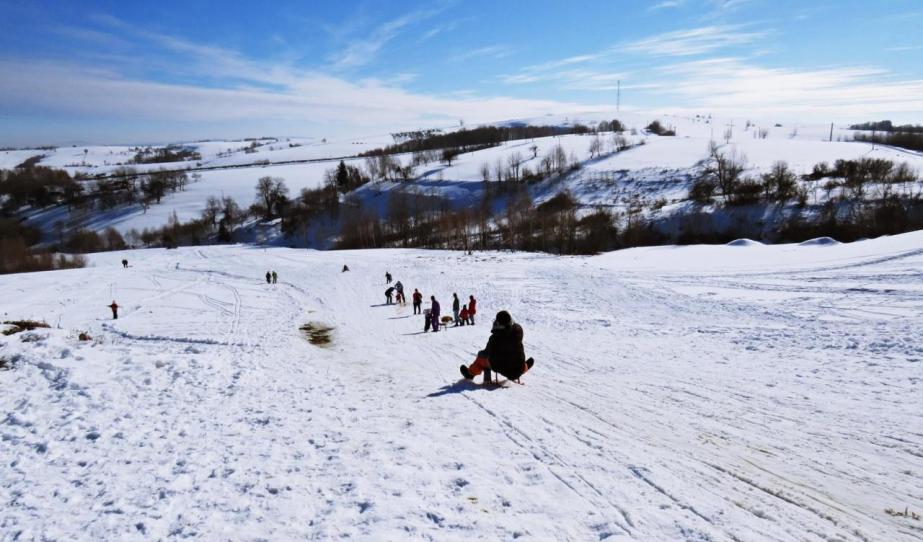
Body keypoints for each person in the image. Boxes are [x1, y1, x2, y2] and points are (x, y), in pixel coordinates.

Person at [460, 310, 534, 383]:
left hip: (502, 368)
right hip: (518, 368)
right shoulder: (518, 332)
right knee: (516, 357)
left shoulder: (495, 337)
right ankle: (525, 366)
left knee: (481, 356)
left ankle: (470, 374)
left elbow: (487, 352)